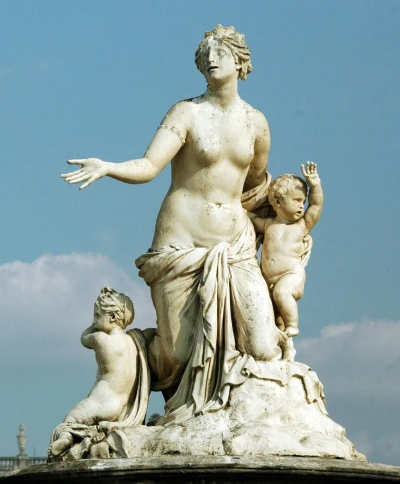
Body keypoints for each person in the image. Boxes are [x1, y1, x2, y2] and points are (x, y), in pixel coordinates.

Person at [62, 25, 283, 424]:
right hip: (180, 243)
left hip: (235, 248)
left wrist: (293, 226)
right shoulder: (187, 112)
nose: (211, 59)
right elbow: (149, 166)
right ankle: (129, 359)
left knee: (264, 348)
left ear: (240, 61)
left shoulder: (257, 123)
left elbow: (257, 186)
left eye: (220, 52)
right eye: (205, 55)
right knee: (178, 354)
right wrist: (108, 167)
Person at [49, 288, 142, 456]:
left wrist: (94, 326)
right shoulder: (134, 343)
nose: (94, 320)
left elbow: (84, 338)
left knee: (69, 421)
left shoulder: (100, 339)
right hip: (121, 406)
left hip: (101, 401)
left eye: (97, 316)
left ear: (112, 317)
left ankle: (66, 438)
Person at [250, 162, 323, 359]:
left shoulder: (301, 226)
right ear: (277, 202)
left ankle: (293, 325)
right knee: (273, 319)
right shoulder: (268, 225)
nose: (302, 205)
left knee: (282, 294)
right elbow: (248, 217)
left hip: (291, 277)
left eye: (303, 201)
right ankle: (288, 351)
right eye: (297, 200)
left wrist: (315, 185)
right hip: (268, 281)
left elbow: (315, 206)